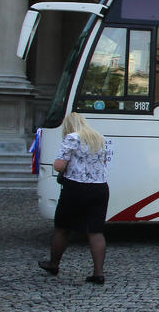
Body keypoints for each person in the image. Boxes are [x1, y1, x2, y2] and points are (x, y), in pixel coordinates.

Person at [37, 113, 112, 285]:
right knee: (95, 231)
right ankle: (98, 273)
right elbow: (104, 162)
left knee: (62, 227)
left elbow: (59, 165)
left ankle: (54, 264)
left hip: (76, 187)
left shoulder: (72, 137)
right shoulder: (99, 138)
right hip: (100, 188)